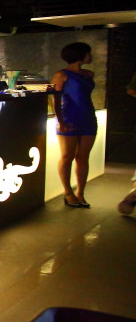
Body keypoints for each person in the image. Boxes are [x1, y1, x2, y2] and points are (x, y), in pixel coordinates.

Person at [50, 42, 97, 208]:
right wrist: (60, 121)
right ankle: (68, 192)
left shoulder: (88, 74)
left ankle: (81, 193)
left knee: (83, 157)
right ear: (80, 55)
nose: (91, 56)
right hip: (69, 117)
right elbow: (55, 100)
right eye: (88, 53)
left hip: (88, 117)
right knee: (67, 156)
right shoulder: (61, 75)